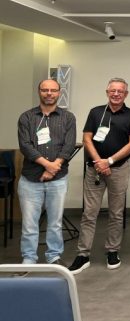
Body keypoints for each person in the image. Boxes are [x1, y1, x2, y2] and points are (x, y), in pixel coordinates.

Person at [69, 78, 130, 274]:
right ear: (107, 92)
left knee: (116, 213)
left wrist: (109, 161)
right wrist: (99, 162)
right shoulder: (96, 112)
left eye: (120, 91)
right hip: (95, 169)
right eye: (113, 91)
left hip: (119, 169)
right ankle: (83, 255)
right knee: (89, 213)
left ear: (126, 94)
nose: (116, 94)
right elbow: (87, 139)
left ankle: (112, 251)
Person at [17, 79, 76, 266]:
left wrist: (53, 168)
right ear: (39, 92)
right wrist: (47, 165)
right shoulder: (26, 117)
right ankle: (29, 258)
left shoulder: (68, 118)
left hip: (58, 180)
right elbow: (25, 146)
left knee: (55, 222)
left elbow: (68, 146)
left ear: (59, 92)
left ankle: (53, 257)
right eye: (45, 90)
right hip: (30, 179)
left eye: (53, 90)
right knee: (29, 224)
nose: (49, 93)